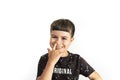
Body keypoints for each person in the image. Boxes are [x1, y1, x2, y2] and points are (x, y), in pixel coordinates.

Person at [36, 19, 102, 80]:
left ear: (71, 40)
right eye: (54, 37)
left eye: (64, 38)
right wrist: (51, 61)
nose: (58, 42)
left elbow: (97, 78)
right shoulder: (44, 58)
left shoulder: (77, 60)